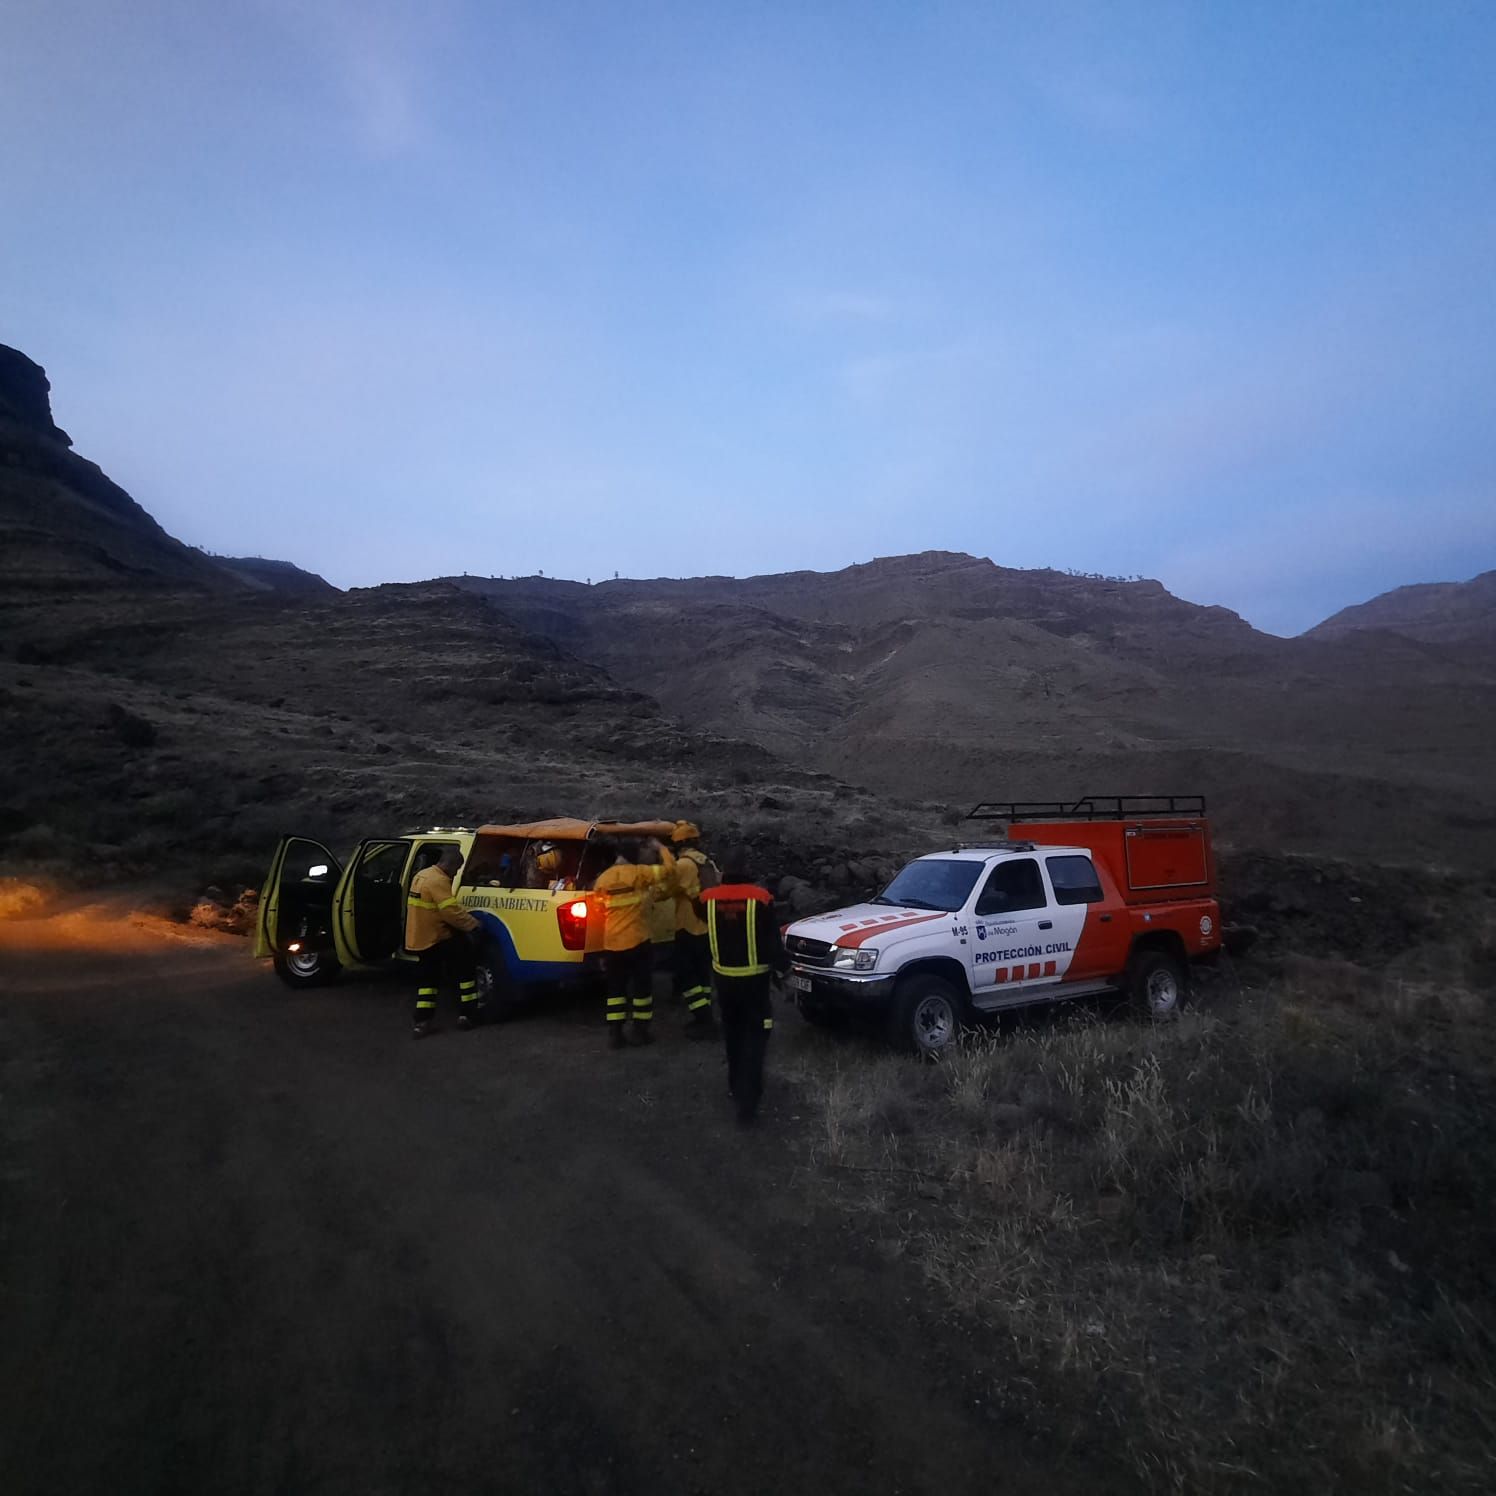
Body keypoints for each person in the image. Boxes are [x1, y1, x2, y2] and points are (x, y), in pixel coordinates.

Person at [702, 849, 790, 1124]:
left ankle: (734, 1085)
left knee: (733, 1034)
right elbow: (772, 942)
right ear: (747, 869)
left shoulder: (707, 899)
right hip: (754, 984)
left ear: (723, 871)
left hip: (724, 982)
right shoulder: (760, 898)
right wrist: (785, 972)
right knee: (756, 1039)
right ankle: (748, 1104)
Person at [593, 836, 677, 1048]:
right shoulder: (640, 873)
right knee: (641, 990)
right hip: (638, 941)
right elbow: (670, 869)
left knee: (615, 992)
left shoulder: (603, 879)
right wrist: (661, 848)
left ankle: (615, 1034)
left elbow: (599, 907)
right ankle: (640, 1031)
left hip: (612, 944)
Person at [405, 846, 486, 1039]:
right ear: (450, 864)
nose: (457, 872)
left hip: (419, 937)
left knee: (427, 982)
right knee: (465, 971)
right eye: (457, 868)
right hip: (438, 937)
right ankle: (468, 1013)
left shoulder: (421, 876)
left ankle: (421, 1022)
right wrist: (474, 925)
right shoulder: (438, 881)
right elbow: (450, 912)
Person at [669, 820, 718, 1037]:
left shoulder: (683, 865)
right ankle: (705, 1012)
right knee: (702, 975)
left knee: (686, 976)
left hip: (687, 926)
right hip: (707, 926)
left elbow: (665, 889)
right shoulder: (708, 862)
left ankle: (703, 1018)